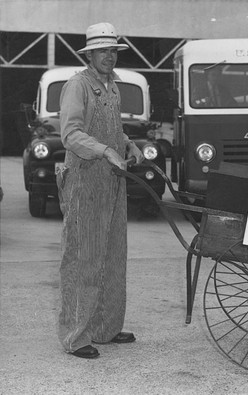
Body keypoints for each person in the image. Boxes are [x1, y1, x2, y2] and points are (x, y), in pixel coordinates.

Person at [57, 22, 144, 359]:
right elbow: (71, 134)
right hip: (85, 181)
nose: (110, 56)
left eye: (114, 51)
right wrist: (106, 151)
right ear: (89, 54)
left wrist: (127, 144)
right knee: (84, 259)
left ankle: (105, 329)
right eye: (103, 51)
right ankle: (76, 337)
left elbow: (111, 130)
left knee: (111, 256)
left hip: (112, 182)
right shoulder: (77, 86)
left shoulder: (112, 87)